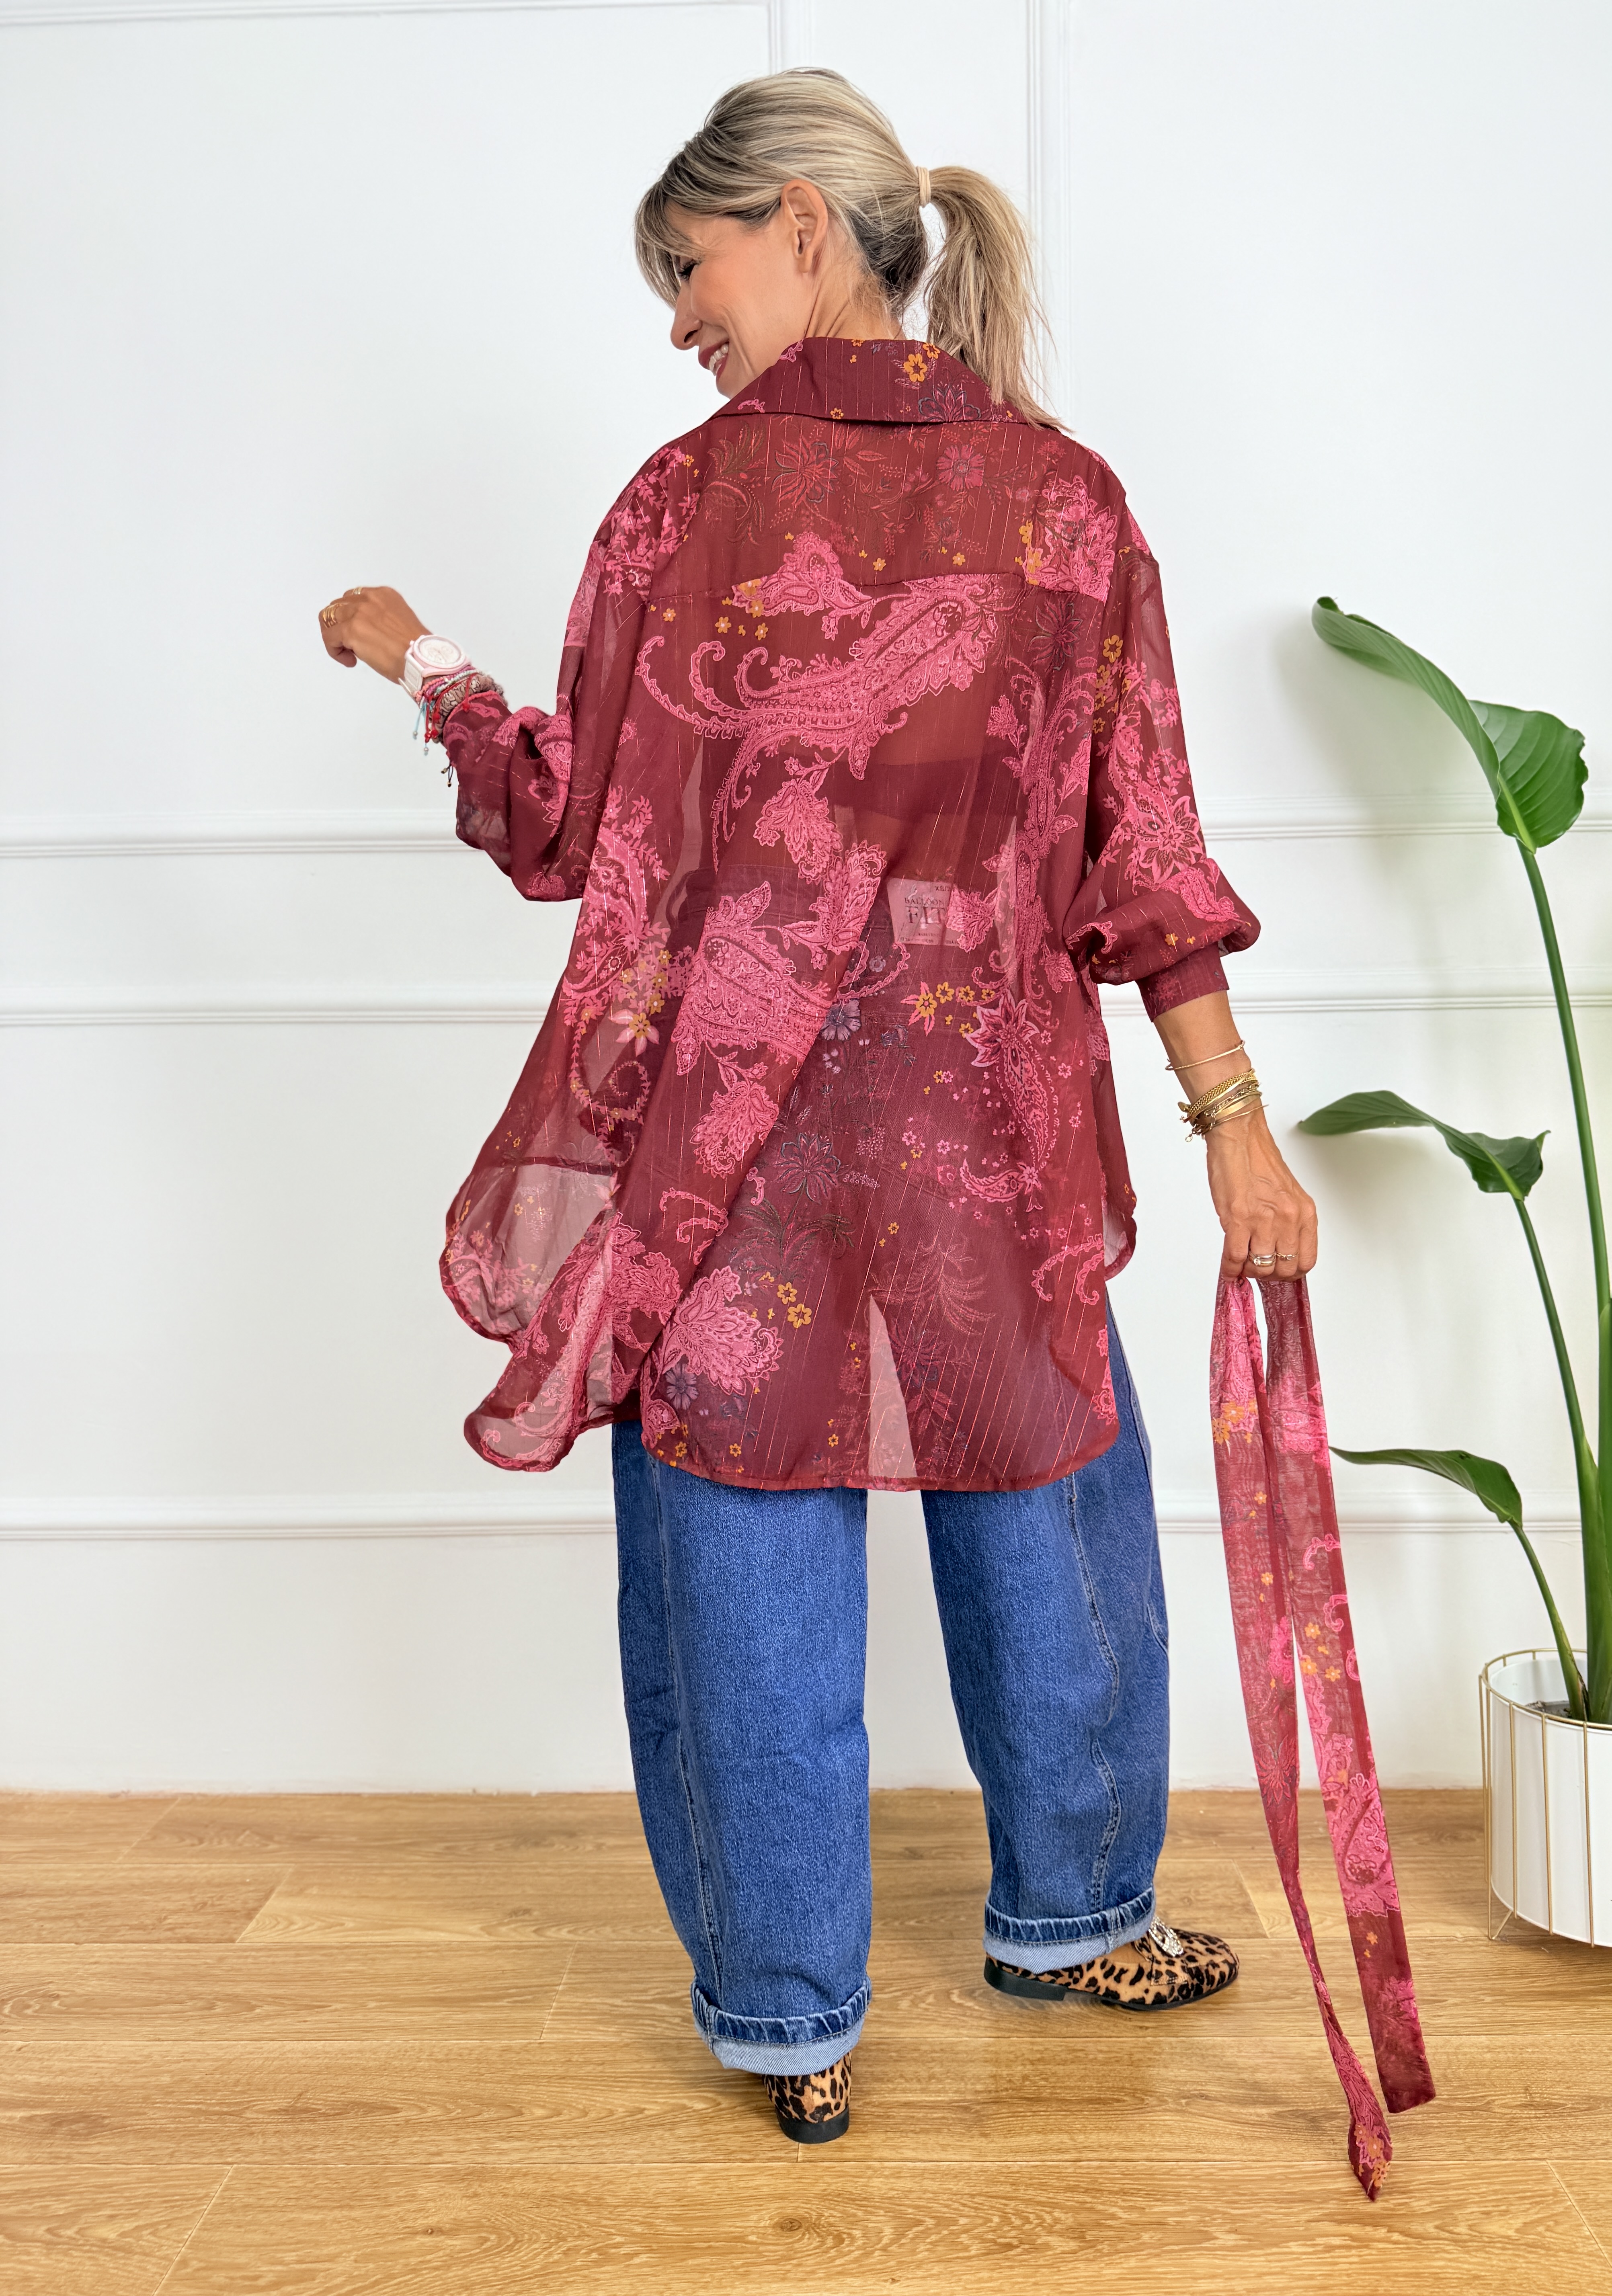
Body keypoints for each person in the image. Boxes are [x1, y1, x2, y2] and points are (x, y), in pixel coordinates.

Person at [317, 69, 1316, 2146]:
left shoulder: (684, 512)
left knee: (748, 1542)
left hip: (732, 1152)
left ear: (796, 222)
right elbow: (1147, 859)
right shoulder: (1065, 506)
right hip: (989, 1138)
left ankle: (793, 2017)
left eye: (686, 271)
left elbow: (565, 824)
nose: (677, 321)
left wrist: (428, 666)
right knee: (1047, 1505)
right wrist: (1230, 1118)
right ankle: (1077, 1921)